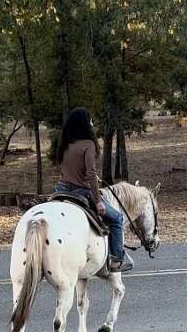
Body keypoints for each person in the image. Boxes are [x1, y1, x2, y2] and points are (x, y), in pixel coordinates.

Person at [54, 107, 133, 273]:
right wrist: (97, 201)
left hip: (60, 190)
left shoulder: (66, 144)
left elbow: (67, 169)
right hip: (80, 192)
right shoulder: (88, 144)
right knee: (117, 219)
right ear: (84, 124)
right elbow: (90, 173)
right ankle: (116, 261)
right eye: (90, 120)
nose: (92, 123)